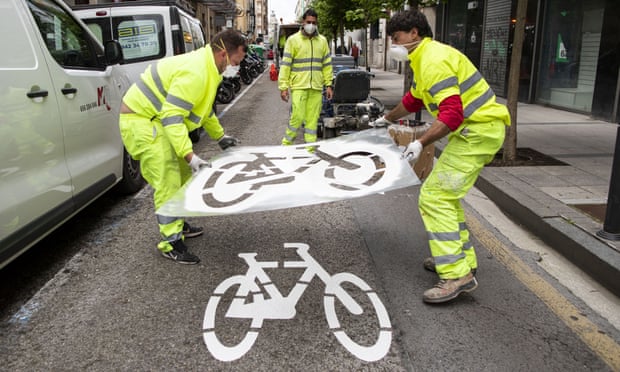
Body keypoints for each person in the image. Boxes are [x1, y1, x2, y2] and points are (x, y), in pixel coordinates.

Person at [372, 9, 510, 303]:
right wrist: (386, 118)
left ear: (414, 34)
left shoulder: (433, 61)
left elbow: (451, 115)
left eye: (396, 38)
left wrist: (420, 143)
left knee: (434, 197)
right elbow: (414, 100)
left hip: (478, 133)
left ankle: (456, 274)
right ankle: (459, 260)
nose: (394, 45)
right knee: (445, 196)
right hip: (475, 132)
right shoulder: (424, 58)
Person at [118, 29, 246, 264]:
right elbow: (172, 118)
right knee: (168, 179)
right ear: (222, 54)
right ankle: (170, 242)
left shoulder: (209, 69)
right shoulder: (197, 72)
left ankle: (179, 224)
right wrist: (190, 155)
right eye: (236, 61)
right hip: (142, 121)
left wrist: (220, 137)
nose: (236, 67)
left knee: (184, 174)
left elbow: (203, 109)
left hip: (157, 119)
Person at [278, 8, 333, 146]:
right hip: (299, 86)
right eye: (308, 22)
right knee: (297, 117)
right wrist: (283, 87)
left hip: (316, 87)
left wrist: (329, 85)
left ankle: (310, 149)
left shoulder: (322, 41)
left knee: (312, 121)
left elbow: (326, 64)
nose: (311, 25)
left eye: (314, 22)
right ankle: (286, 145)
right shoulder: (293, 41)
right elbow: (286, 65)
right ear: (303, 22)